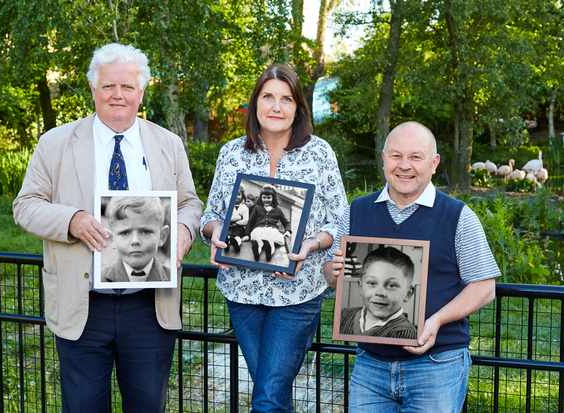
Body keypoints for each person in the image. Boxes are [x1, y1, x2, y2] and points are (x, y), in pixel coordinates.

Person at [12, 43, 202, 413]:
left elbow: (190, 204)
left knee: (147, 406)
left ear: (141, 92)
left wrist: (182, 231)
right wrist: (72, 220)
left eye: (127, 87)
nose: (118, 95)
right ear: (93, 89)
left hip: (149, 307)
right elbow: (25, 206)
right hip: (83, 305)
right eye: (108, 86)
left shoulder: (168, 144)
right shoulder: (55, 143)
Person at [201, 63, 348, 412]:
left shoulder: (319, 154)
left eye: (286, 99)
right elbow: (209, 216)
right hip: (242, 292)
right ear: (255, 103)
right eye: (268, 97)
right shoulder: (232, 153)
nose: (276, 107)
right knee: (273, 393)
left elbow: (340, 219)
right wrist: (216, 231)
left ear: (298, 107)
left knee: (267, 398)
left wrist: (310, 245)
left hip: (298, 294)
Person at [325, 121, 500, 413]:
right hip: (370, 365)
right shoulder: (356, 211)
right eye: (396, 156)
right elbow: (331, 274)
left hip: (437, 365)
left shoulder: (458, 216)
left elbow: (484, 287)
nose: (404, 165)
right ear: (383, 160)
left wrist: (436, 322)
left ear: (433, 163)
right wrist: (333, 272)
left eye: (415, 157)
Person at [339, 246, 417, 339]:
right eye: (372, 283)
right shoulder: (343, 316)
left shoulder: (404, 333)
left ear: (408, 294)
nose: (380, 293)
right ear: (361, 286)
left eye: (392, 285)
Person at [102, 196, 170, 283]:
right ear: (112, 239)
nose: (135, 241)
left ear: (162, 236)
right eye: (125, 233)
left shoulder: (171, 278)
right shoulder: (100, 279)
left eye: (145, 232)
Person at [246, 184, 291, 262]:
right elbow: (250, 222)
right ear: (261, 198)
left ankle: (269, 250)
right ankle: (257, 250)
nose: (266, 200)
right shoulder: (257, 208)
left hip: (271, 229)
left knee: (275, 238)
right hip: (259, 229)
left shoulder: (278, 210)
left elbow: (286, 222)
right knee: (256, 236)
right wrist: (246, 234)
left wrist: (287, 231)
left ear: (273, 198)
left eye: (269, 198)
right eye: (264, 197)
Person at [226, 185, 249, 254]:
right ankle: (227, 243)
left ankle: (237, 245)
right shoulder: (229, 206)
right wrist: (237, 218)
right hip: (229, 226)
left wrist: (237, 222)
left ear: (242, 196)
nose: (236, 197)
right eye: (234, 194)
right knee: (227, 235)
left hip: (239, 227)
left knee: (237, 236)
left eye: (238, 194)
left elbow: (246, 221)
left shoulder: (244, 208)